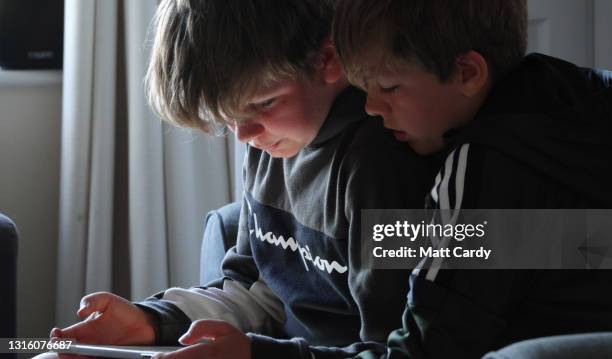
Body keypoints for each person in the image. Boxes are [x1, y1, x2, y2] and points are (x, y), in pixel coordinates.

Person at [41, 1, 439, 359]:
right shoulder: (270, 144)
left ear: (328, 60)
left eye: (263, 103)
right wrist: (150, 321)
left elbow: (393, 347)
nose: (244, 135)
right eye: (227, 116)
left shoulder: (377, 165)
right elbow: (254, 288)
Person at [331, 0, 612, 358]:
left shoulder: (482, 165)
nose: (371, 107)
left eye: (388, 86)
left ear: (467, 73)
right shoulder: (582, 93)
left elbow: (422, 351)